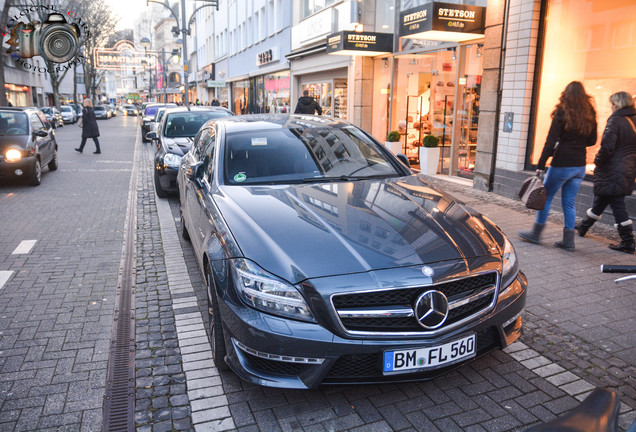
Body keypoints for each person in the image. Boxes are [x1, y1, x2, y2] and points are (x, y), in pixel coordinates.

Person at [518, 81, 597, 251]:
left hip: (562, 163)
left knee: (545, 197)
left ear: (566, 94)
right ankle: (569, 241)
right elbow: (592, 140)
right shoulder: (589, 113)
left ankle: (536, 234)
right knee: (569, 203)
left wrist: (540, 164)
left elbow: (550, 141)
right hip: (579, 165)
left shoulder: (562, 112)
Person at [575, 91, 636, 253]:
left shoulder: (616, 120)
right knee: (603, 198)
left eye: (612, 104)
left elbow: (607, 147)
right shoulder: (634, 119)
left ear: (616, 105)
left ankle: (628, 241)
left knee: (617, 203)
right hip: (629, 167)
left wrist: (597, 162)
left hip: (613, 168)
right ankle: (584, 226)